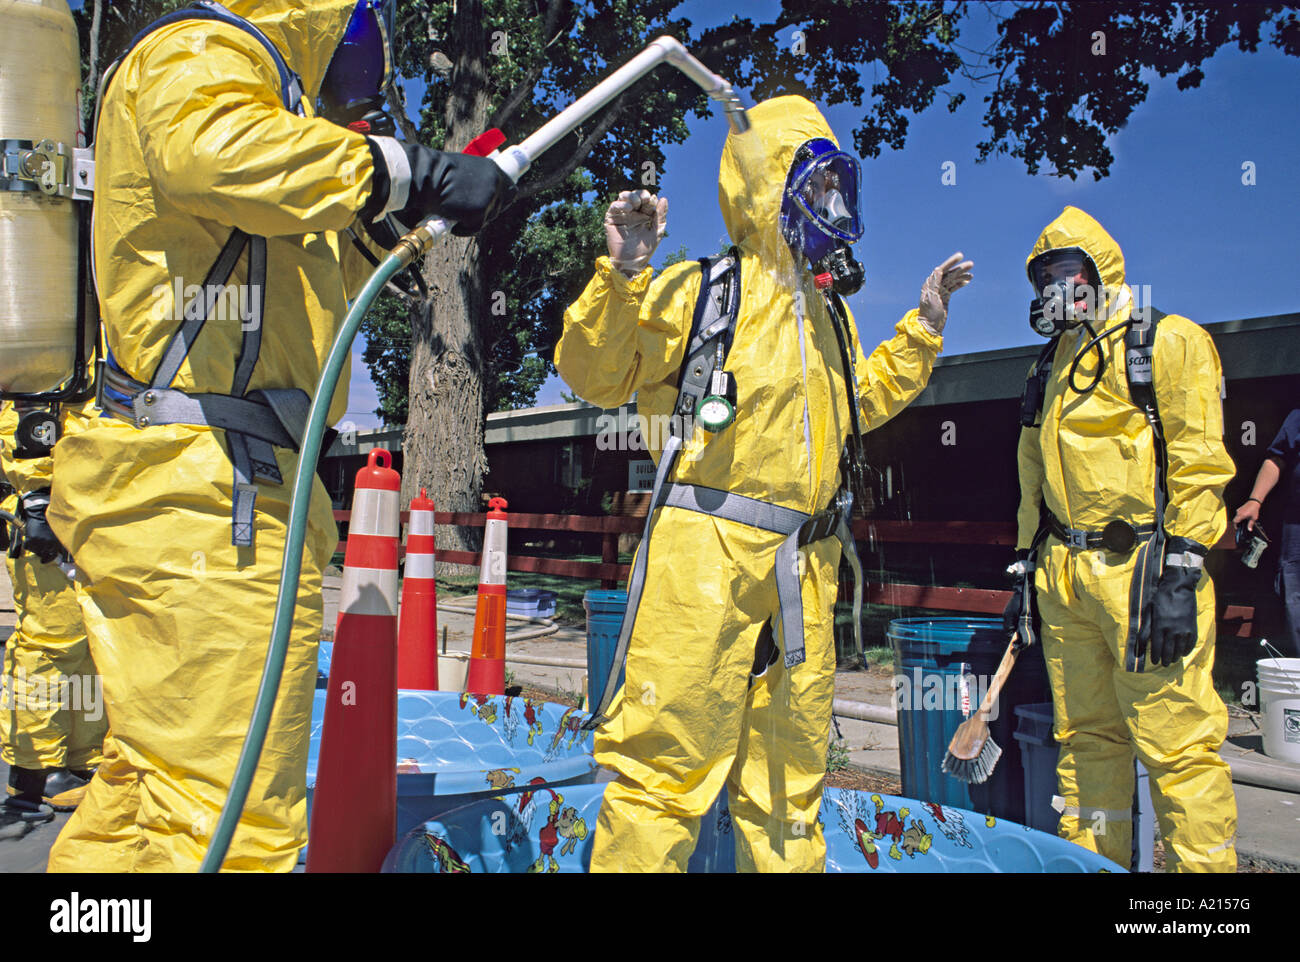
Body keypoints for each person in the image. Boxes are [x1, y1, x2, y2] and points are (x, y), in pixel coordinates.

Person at [43, 0, 512, 871]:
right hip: (204, 496)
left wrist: (425, 194)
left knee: (155, 788)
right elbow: (216, 156)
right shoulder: (204, 51)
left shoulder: (275, 116)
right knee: (233, 814)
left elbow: (322, 246)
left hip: (201, 486)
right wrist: (401, 169)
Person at [555, 95, 972, 872]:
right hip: (702, 562)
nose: (835, 209)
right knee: (662, 773)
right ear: (769, 189)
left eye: (839, 192)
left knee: (790, 787)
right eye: (819, 191)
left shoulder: (830, 317)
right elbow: (597, 373)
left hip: (804, 572)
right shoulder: (701, 291)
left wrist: (923, 328)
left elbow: (859, 403)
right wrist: (622, 272)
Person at [1007, 205, 1237, 872]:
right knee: (1085, 741)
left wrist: (1185, 565)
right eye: (1041, 279)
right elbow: (1032, 476)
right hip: (1064, 573)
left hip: (1144, 569)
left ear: (1099, 270)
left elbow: (1199, 459)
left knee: (1177, 745)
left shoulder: (1165, 341)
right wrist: (1026, 568)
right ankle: (1096, 865)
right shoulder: (1048, 367)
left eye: (1065, 273)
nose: (1053, 290)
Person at [1, 399, 107, 830]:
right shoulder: (61, 346)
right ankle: (35, 771)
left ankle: (82, 759)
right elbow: (27, 424)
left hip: (91, 514)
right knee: (51, 644)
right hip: (52, 516)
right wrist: (36, 497)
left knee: (90, 644)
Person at [1233, 408, 1300, 657]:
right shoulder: (1297, 417)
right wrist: (1255, 500)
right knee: (1294, 594)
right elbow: (1276, 458)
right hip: (1297, 525)